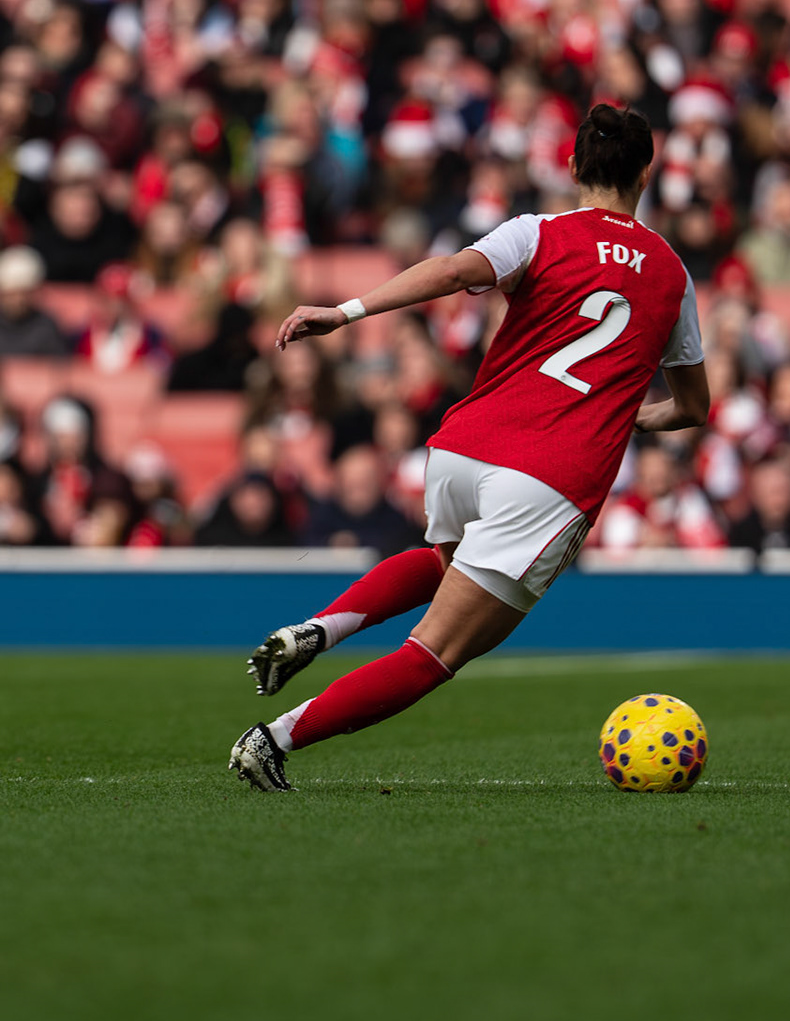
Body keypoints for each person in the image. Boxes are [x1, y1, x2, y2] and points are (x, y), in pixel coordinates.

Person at [228, 105, 710, 792]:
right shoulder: (671, 274)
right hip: (551, 473)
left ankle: (316, 632)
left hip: (464, 447)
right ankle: (272, 740)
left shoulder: (536, 232)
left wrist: (345, 312)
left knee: (448, 560)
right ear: (647, 172)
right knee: (435, 653)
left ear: (572, 166)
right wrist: (624, 416)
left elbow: (455, 270)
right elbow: (693, 408)